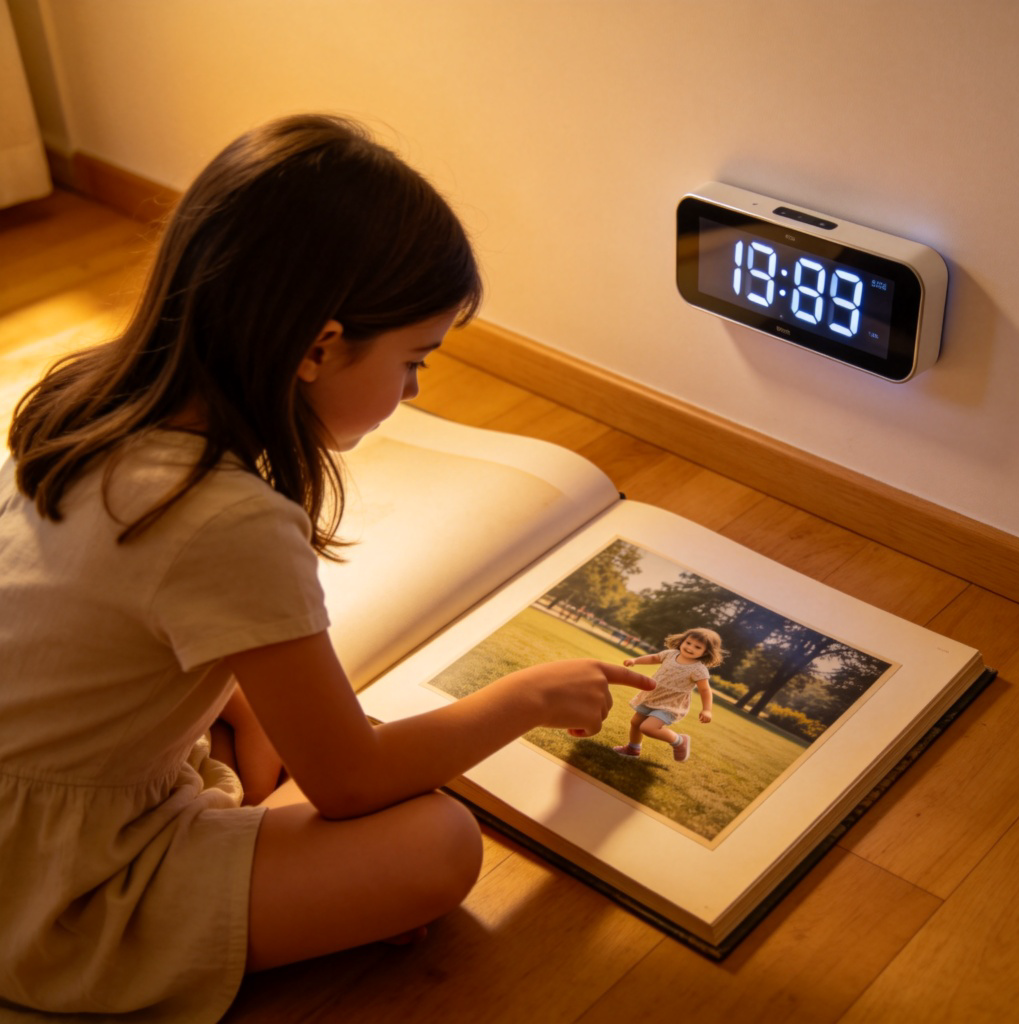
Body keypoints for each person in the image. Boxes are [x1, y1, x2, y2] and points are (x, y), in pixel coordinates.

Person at [0, 113, 654, 1022]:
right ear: (316, 347)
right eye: (413, 361)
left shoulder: (87, 400)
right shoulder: (221, 517)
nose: (412, 390)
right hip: (50, 894)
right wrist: (528, 697)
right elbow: (351, 782)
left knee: (262, 738)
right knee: (435, 843)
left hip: (38, 794)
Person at [613, 628, 726, 763]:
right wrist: (635, 660)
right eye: (688, 643)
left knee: (648, 728)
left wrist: (707, 709)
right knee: (636, 722)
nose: (690, 648)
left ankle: (679, 740)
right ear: (682, 641)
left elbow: (705, 690)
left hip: (670, 704)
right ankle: (633, 749)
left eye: (697, 647)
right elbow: (654, 658)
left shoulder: (699, 669)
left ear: (706, 652)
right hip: (652, 695)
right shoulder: (671, 654)